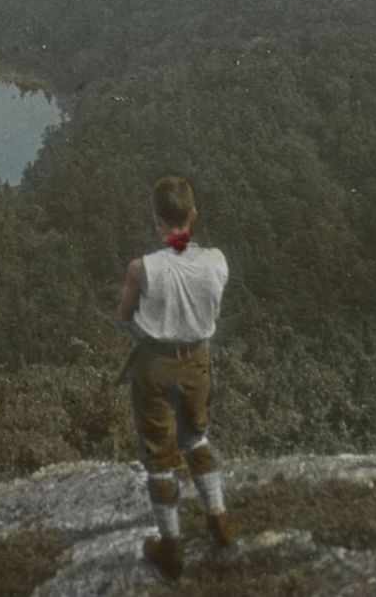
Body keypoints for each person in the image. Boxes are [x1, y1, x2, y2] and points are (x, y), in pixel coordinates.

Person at [116, 173, 235, 582]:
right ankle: (219, 517)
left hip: (155, 364)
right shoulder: (217, 261)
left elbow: (124, 314)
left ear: (156, 220)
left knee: (159, 457)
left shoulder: (142, 268)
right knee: (196, 438)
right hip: (198, 362)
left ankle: (171, 548)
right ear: (194, 214)